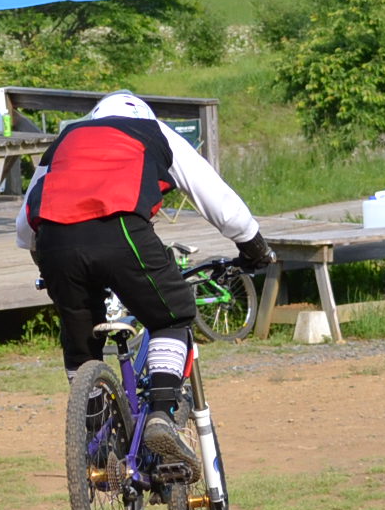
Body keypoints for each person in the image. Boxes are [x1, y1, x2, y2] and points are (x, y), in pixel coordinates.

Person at [16, 92, 275, 479]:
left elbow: (24, 228)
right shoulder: (154, 131)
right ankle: (161, 414)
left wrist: (49, 264)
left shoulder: (66, 139)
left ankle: (97, 438)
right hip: (121, 230)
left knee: (80, 337)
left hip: (55, 242)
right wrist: (254, 247)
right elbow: (217, 199)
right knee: (172, 315)